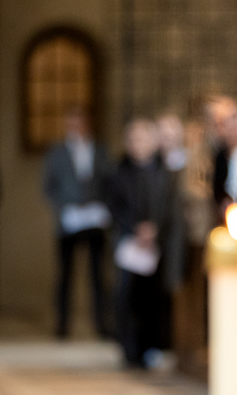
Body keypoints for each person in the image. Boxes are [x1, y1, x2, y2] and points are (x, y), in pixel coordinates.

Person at [110, 119, 183, 368]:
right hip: (129, 243)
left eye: (142, 139)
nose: (136, 144)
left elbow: (171, 208)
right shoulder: (120, 170)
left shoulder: (166, 172)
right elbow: (115, 205)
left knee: (155, 298)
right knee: (127, 297)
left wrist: (155, 229)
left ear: (153, 142)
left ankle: (153, 347)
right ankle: (129, 349)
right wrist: (135, 228)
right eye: (132, 139)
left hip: (158, 244)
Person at [43, 106, 114, 339]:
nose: (77, 128)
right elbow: (48, 187)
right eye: (72, 124)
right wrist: (65, 207)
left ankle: (101, 322)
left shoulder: (100, 150)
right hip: (69, 221)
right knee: (64, 274)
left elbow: (110, 183)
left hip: (95, 219)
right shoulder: (57, 152)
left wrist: (102, 206)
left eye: (80, 123)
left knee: (98, 275)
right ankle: (62, 324)